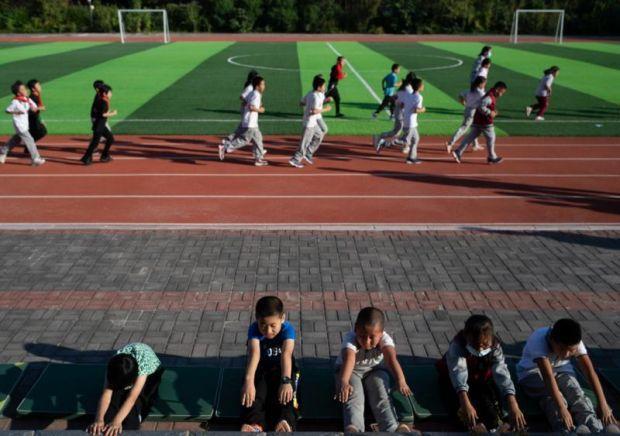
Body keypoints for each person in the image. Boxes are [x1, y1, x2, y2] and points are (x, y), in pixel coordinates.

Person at [517, 319, 619, 434]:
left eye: (571, 351)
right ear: (552, 340)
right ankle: (565, 430)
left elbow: (590, 372)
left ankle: (595, 428)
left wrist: (603, 403)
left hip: (561, 369)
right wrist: (562, 408)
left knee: (577, 393)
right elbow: (548, 376)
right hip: (532, 372)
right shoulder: (538, 340)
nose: (566, 354)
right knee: (553, 400)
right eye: (561, 349)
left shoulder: (575, 341)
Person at [437, 315, 527, 433]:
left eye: (484, 345)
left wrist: (513, 404)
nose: (480, 350)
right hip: (453, 381)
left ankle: (497, 425)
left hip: (481, 379)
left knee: (492, 406)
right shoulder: (457, 346)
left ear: (490, 338)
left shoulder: (495, 347)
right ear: (466, 337)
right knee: (462, 409)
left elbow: (502, 374)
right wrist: (465, 402)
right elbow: (458, 374)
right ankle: (473, 427)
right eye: (475, 345)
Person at [335, 307, 417, 433]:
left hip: (375, 370)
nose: (367, 342)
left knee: (381, 393)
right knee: (354, 396)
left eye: (372, 337)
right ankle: (354, 428)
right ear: (356, 328)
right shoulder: (350, 340)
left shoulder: (385, 340)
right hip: (351, 371)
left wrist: (401, 380)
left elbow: (391, 359)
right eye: (362, 336)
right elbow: (349, 360)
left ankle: (392, 428)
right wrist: (344, 382)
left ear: (381, 333)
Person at [241, 296, 299, 432]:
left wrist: (285, 381)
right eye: (263, 325)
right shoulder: (254, 329)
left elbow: (286, 355)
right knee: (254, 395)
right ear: (257, 319)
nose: (267, 331)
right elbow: (254, 354)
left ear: (282, 318)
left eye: (273, 326)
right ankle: (255, 425)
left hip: (283, 368)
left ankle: (285, 422)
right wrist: (248, 382)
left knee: (287, 396)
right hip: (262, 368)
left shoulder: (288, 330)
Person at [88, 343, 163, 436]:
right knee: (112, 405)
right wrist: (99, 419)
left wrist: (116, 421)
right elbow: (106, 393)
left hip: (152, 373)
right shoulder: (114, 365)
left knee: (139, 398)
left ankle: (137, 415)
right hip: (128, 371)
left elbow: (132, 398)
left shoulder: (143, 368)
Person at [452, 81, 507, 165]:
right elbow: (481, 106)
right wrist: (490, 113)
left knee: (470, 137)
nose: (501, 95)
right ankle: (492, 157)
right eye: (501, 92)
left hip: (478, 120)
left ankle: (458, 151)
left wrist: (493, 111)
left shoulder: (491, 94)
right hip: (485, 122)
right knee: (491, 138)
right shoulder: (489, 97)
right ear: (497, 89)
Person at [219, 75, 268, 166]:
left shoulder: (253, 93)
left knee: (258, 138)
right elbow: (251, 107)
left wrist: (259, 105)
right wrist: (261, 110)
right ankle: (226, 147)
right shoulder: (256, 95)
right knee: (245, 140)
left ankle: (258, 159)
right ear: (257, 86)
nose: (264, 86)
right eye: (262, 84)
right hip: (251, 122)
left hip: (250, 121)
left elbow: (245, 102)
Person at [289, 75, 331, 168]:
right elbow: (314, 111)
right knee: (304, 142)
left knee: (319, 134)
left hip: (314, 122)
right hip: (309, 123)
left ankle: (309, 152)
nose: (325, 87)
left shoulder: (310, 93)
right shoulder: (315, 97)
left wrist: (308, 102)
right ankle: (295, 159)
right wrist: (326, 109)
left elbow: (301, 103)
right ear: (319, 87)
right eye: (324, 86)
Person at [0, 80, 45, 166]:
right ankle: (35, 158)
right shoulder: (15, 102)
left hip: (25, 124)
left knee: (16, 140)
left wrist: (37, 108)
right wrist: (16, 112)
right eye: (23, 89)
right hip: (19, 125)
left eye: (25, 88)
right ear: (18, 93)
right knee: (30, 139)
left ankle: (3, 151)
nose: (26, 90)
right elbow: (7, 110)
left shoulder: (27, 99)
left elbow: (35, 107)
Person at [373, 73, 414, 153]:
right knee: (397, 131)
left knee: (407, 130)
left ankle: (406, 146)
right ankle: (380, 138)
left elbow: (395, 97)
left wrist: (397, 102)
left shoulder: (403, 87)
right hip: (402, 112)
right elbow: (404, 101)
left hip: (401, 111)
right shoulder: (408, 89)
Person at [446, 76, 487, 153]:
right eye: (484, 83)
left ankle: (475, 145)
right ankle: (450, 143)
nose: (485, 85)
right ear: (481, 84)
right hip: (473, 112)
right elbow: (486, 101)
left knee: (474, 128)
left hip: (468, 110)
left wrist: (463, 103)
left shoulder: (470, 90)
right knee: (463, 128)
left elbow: (460, 95)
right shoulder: (480, 93)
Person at [81, 84, 116, 165]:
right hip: (99, 126)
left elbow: (100, 112)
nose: (111, 94)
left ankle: (103, 156)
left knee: (110, 139)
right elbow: (103, 114)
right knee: (95, 143)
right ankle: (87, 157)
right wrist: (112, 113)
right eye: (110, 92)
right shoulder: (103, 101)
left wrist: (108, 112)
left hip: (101, 125)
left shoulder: (102, 100)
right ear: (104, 93)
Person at [226, 70, 260, 142]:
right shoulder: (250, 87)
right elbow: (242, 97)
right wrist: (248, 103)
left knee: (252, 129)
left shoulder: (253, 86)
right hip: (247, 110)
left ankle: (259, 149)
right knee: (246, 129)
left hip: (249, 110)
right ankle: (227, 143)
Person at [400, 78, 426, 164]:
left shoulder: (408, 95)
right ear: (419, 87)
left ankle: (411, 157)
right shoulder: (419, 97)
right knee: (406, 141)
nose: (423, 86)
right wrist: (423, 110)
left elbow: (402, 105)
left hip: (408, 120)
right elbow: (416, 110)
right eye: (422, 85)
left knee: (415, 139)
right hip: (411, 122)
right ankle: (385, 142)